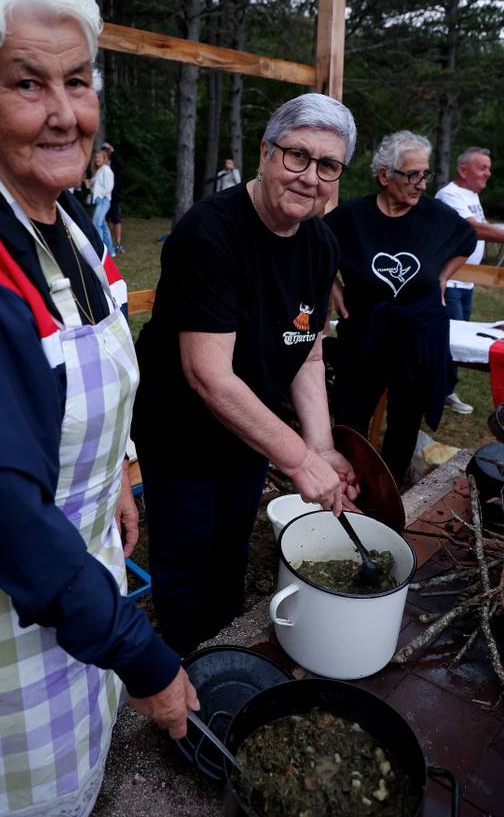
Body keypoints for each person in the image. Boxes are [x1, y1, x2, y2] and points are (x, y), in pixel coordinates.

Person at [0, 0, 197, 817]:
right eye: (28, 84)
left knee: (79, 749)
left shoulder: (64, 218)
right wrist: (141, 654)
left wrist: (119, 471)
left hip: (73, 556)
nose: (65, 112)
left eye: (77, 81)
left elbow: (90, 363)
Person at [132, 92, 360, 656]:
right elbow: (207, 375)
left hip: (250, 426)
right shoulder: (209, 233)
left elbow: (307, 351)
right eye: (297, 155)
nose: (310, 177)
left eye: (328, 165)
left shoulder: (321, 244)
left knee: (231, 547)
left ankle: (225, 655)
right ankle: (188, 669)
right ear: (264, 152)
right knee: (187, 560)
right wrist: (299, 461)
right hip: (181, 427)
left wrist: (322, 447)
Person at [325, 130, 477, 488]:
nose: (421, 184)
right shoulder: (352, 218)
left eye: (425, 174)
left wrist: (443, 277)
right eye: (412, 175)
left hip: (417, 338)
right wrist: (333, 285)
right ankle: (345, 486)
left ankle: (388, 490)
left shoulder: (436, 216)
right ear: (384, 175)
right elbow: (315, 245)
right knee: (350, 416)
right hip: (364, 333)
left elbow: (467, 240)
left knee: (405, 421)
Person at [435, 147, 504, 414]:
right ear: (463, 170)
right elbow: (475, 229)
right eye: (482, 168)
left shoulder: (471, 196)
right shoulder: (449, 195)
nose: (488, 173)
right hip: (450, 280)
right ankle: (438, 391)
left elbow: (484, 224)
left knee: (457, 336)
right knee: (449, 338)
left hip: (466, 281)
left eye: (488, 168)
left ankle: (445, 390)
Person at [90, 146, 116, 257]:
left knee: (96, 224)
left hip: (103, 200)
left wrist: (100, 196)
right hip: (98, 200)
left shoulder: (106, 169)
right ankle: (110, 251)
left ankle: (99, 252)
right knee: (103, 226)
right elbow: (94, 186)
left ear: (104, 158)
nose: (97, 159)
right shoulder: (98, 171)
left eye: (99, 157)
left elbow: (109, 187)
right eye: (95, 157)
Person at [102, 141, 125, 253]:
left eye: (108, 149)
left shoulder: (115, 161)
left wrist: (113, 152)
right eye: (104, 149)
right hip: (104, 196)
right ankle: (106, 243)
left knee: (116, 219)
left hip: (115, 195)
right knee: (104, 219)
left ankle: (118, 244)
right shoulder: (101, 162)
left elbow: (121, 165)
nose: (106, 151)